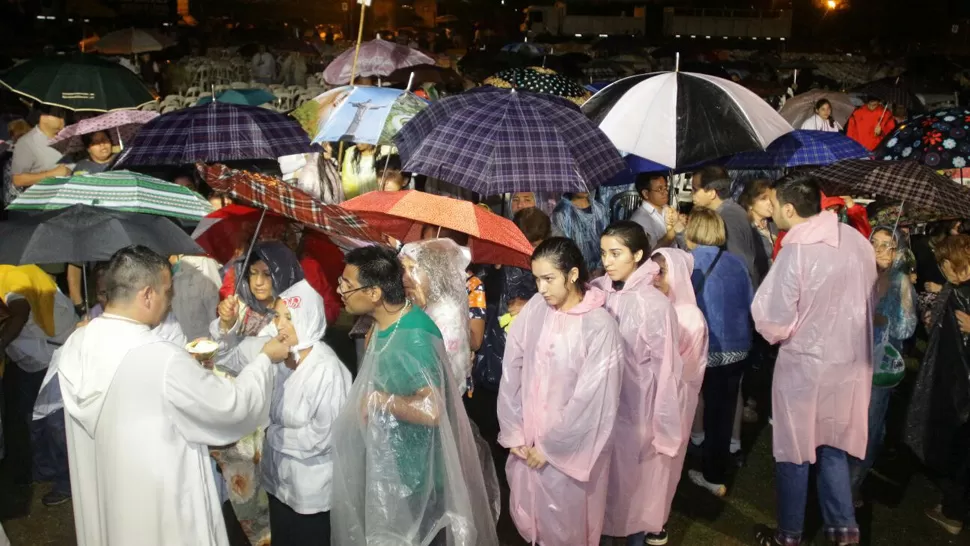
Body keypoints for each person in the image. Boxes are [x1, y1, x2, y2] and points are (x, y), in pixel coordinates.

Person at [56, 245, 287, 546]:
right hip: (164, 511)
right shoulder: (161, 358)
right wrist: (264, 361)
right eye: (167, 291)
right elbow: (231, 408)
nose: (171, 300)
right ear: (147, 294)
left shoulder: (75, 344)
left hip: (109, 501)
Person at [330, 245, 499, 545]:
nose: (339, 289)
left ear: (374, 293)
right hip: (397, 471)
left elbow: (432, 408)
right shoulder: (384, 325)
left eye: (347, 284)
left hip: (422, 480)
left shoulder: (414, 336)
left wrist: (381, 401)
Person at [751, 173, 876, 546]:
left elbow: (773, 319)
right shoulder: (855, 240)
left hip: (805, 366)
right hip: (849, 362)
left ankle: (789, 534)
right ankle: (844, 530)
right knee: (832, 445)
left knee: (794, 450)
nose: (772, 210)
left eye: (775, 204)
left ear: (790, 209)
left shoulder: (797, 250)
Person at [498, 237, 622, 546]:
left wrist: (552, 448)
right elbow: (513, 367)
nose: (541, 288)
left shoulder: (599, 326)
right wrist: (514, 429)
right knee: (534, 520)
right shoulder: (538, 309)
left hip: (568, 454)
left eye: (549, 279)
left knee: (569, 526)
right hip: (529, 441)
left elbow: (593, 399)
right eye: (537, 279)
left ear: (573, 274)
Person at [218, 280, 351, 546]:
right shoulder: (277, 351)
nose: (280, 325)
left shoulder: (327, 371)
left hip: (310, 494)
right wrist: (226, 326)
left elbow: (323, 437)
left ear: (308, 319)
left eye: (290, 318)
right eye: (278, 316)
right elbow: (226, 359)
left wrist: (272, 435)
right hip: (277, 483)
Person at [593, 222, 682, 546]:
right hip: (600, 412)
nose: (608, 261)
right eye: (604, 253)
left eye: (616, 253)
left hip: (638, 411)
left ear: (639, 254)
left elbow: (668, 371)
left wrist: (665, 427)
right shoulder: (597, 292)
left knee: (633, 494)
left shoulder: (655, 305)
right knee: (600, 493)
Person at [681, 209, 754, 498]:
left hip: (704, 348)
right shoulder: (737, 263)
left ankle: (695, 457)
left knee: (693, 403)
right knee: (722, 413)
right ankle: (715, 472)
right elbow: (750, 302)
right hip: (738, 348)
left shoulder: (688, 264)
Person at [905, 234, 970, 535]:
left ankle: (953, 512)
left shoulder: (960, 295)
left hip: (959, 390)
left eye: (948, 264)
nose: (944, 269)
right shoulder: (956, 291)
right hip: (955, 386)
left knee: (957, 450)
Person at [849, 227, 917, 503]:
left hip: (879, 366)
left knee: (870, 426)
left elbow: (907, 329)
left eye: (887, 245)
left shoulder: (902, 282)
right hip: (850, 359)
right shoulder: (858, 274)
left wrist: (885, 318)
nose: (878, 249)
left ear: (898, 251)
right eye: (874, 242)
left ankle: (852, 485)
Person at [0, 265, 77, 506]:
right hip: (31, 358)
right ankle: (45, 470)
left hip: (53, 354)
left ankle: (67, 483)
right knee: (32, 418)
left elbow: (20, 312)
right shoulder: (12, 273)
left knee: (56, 423)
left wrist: (0, 343)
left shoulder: (12, 278)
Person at [651, 247, 709, 537]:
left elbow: (686, 371)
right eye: (654, 270)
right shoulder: (651, 304)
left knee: (665, 463)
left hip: (675, 400)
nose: (656, 277)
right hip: (648, 400)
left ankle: (657, 520)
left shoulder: (690, 317)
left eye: (663, 271)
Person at [400, 238, 473, 394]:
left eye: (412, 269)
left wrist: (416, 316)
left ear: (433, 271)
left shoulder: (447, 314)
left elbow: (431, 367)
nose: (405, 277)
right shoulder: (415, 304)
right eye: (403, 269)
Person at [690, 166, 765, 286]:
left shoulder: (727, 217)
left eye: (695, 189)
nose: (692, 194)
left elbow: (738, 261)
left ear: (711, 193)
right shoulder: (729, 211)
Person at [8, 107, 69, 199]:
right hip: (42, 206)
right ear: (43, 117)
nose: (63, 120)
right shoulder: (26, 142)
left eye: (63, 115)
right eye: (58, 115)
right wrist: (52, 174)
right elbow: (18, 179)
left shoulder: (69, 138)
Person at [552, 192, 610, 274]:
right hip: (577, 271)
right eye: (578, 185)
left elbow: (607, 239)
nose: (583, 188)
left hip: (603, 269)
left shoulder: (599, 209)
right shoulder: (561, 214)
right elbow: (564, 248)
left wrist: (601, 267)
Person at [169, 254, 222, 342]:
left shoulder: (203, 262)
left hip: (209, 346)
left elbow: (218, 312)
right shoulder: (155, 273)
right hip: (181, 348)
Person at [630, 174, 677, 249]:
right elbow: (651, 253)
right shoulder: (639, 219)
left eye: (666, 188)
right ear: (645, 194)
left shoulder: (668, 209)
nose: (665, 192)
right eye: (660, 189)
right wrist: (671, 234)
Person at [738, 179, 777, 267]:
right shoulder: (745, 229)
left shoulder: (775, 224)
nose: (770, 203)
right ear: (749, 203)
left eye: (771, 198)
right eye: (763, 198)